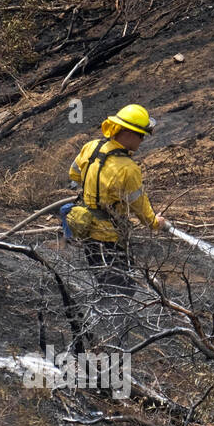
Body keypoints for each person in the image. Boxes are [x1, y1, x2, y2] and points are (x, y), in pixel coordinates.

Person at [64, 104, 166, 288]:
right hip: (109, 237)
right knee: (121, 289)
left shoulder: (91, 147)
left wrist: (94, 189)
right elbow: (139, 206)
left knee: (106, 282)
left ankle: (101, 312)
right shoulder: (128, 168)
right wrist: (155, 223)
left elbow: (74, 174)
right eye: (141, 135)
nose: (142, 140)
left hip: (87, 232)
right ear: (128, 133)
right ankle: (106, 316)